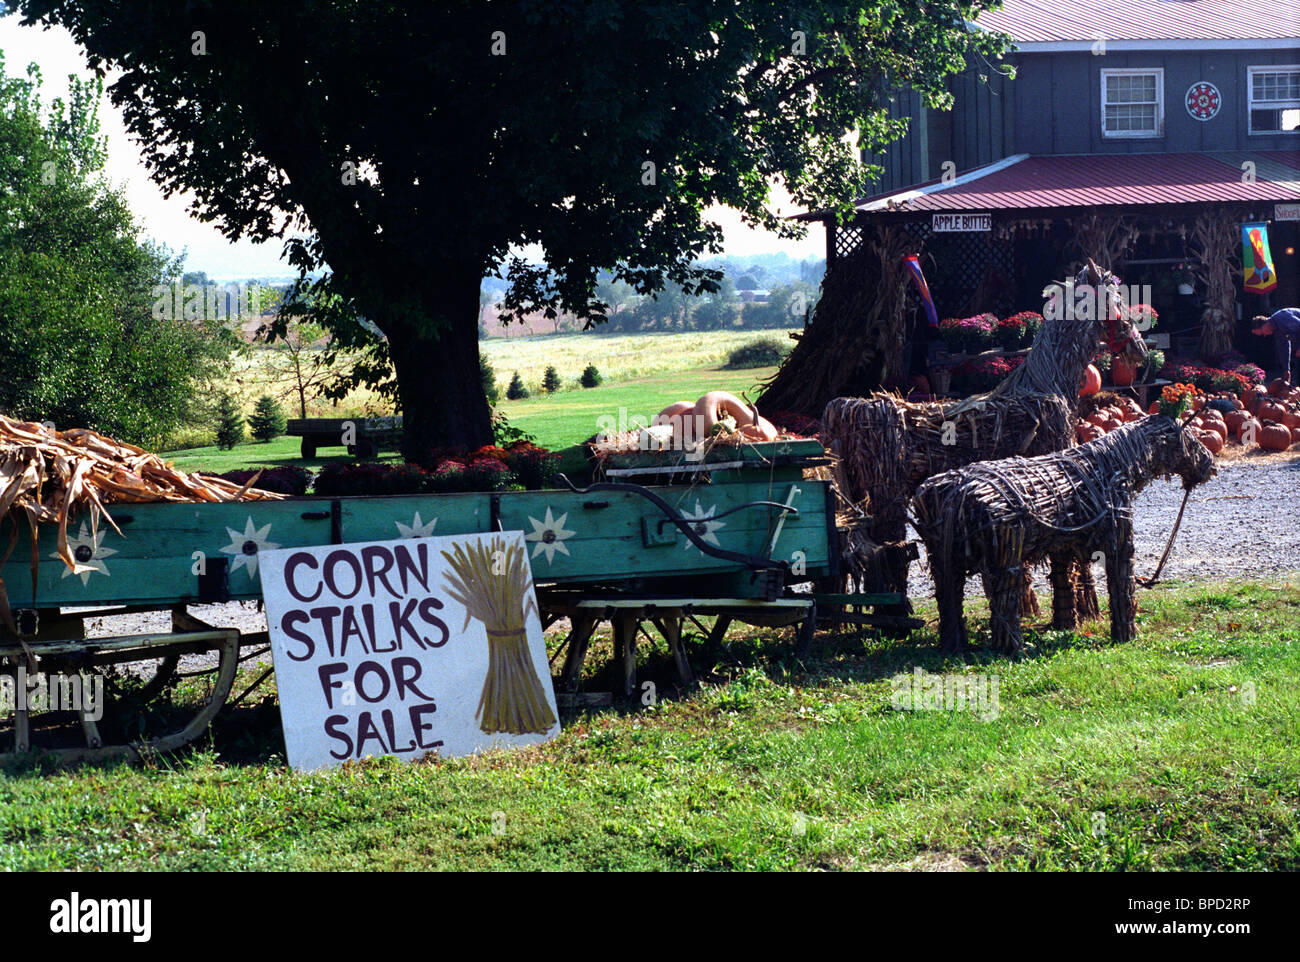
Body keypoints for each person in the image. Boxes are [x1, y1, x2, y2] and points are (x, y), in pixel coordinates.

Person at [1251, 309, 1300, 383]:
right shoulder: (1277, 332)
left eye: (1262, 333)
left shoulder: (1282, 318)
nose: (1265, 335)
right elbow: (1284, 348)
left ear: (1264, 324)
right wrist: (1286, 370)